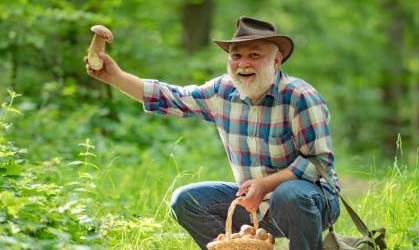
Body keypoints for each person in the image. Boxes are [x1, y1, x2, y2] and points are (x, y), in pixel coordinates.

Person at [85, 16, 341, 250]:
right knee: (186, 201)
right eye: (236, 55)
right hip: (255, 204)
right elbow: (172, 97)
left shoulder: (300, 98)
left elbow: (319, 164)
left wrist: (265, 185)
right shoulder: (222, 91)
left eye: (254, 55)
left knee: (289, 194)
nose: (243, 64)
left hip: (310, 201)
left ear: (276, 61)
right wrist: (115, 77)